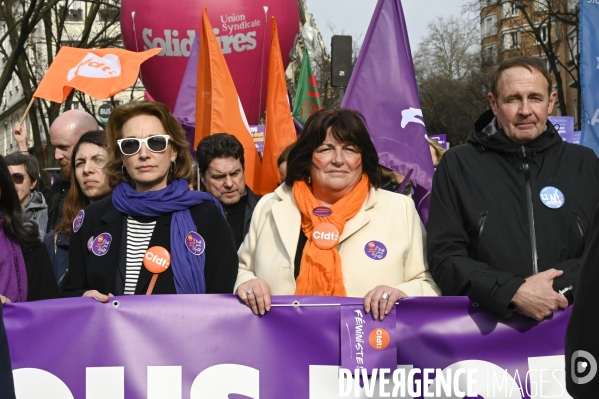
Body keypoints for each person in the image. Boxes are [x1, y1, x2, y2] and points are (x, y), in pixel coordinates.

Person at [427, 56, 599, 320]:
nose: (525, 110)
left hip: (574, 327)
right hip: (491, 338)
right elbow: (445, 257)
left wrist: (557, 290)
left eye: (535, 98)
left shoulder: (585, 163)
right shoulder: (458, 164)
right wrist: (512, 292)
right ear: (493, 104)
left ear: (551, 101)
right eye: (512, 99)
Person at [235, 108, 439, 317]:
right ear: (307, 157)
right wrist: (247, 283)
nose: (338, 159)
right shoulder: (270, 206)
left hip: (367, 344)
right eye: (326, 149)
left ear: (363, 158)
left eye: (350, 149)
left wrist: (401, 293)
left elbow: (428, 281)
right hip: (281, 344)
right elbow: (242, 269)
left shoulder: (400, 209)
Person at [62, 101, 238, 300]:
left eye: (156, 142)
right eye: (130, 145)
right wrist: (83, 297)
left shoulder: (205, 215)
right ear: (121, 156)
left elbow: (222, 300)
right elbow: (70, 291)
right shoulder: (90, 219)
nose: (143, 154)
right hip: (108, 331)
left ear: (173, 151)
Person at [44, 131, 112, 291]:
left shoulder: (134, 227)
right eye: (80, 163)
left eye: (98, 160)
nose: (87, 169)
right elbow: (48, 303)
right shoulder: (53, 242)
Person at [18, 111, 99, 232]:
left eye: (63, 147)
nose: (57, 155)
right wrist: (22, 145)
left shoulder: (101, 190)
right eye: (55, 147)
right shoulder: (61, 183)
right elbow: (45, 199)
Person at [0, 155, 59, 304]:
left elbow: (47, 310)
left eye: (18, 178)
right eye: (8, 178)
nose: (13, 184)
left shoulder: (31, 246)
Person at [196, 133, 261, 249]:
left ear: (243, 169)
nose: (229, 184)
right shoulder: (189, 214)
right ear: (203, 178)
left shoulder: (265, 210)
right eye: (219, 177)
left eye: (235, 173)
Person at [4, 153, 47, 238]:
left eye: (18, 177)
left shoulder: (48, 214)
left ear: (33, 183)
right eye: (7, 178)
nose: (11, 184)